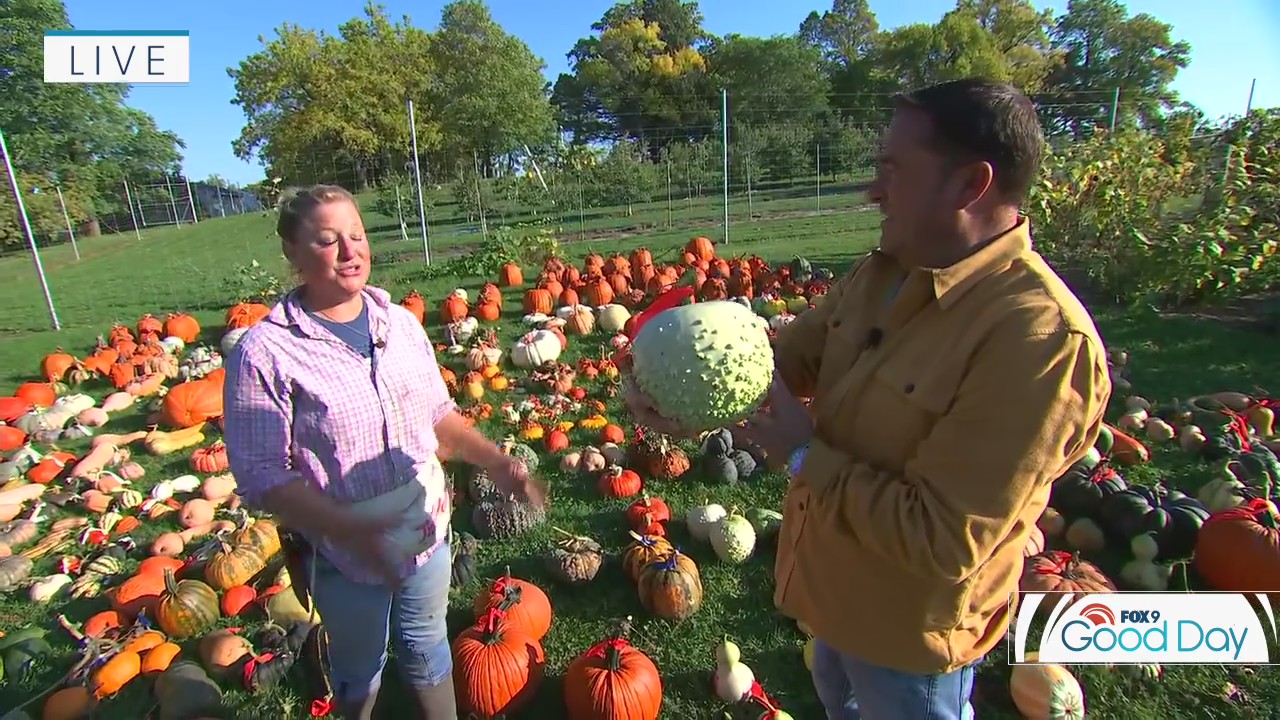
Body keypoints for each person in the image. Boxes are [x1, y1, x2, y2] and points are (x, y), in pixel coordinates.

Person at [625, 79, 1111, 719]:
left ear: (970, 185)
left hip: (908, 634)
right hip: (832, 597)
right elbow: (784, 363)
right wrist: (690, 391)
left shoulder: (1038, 341)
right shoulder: (884, 272)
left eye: (893, 168)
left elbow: (945, 538)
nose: (873, 188)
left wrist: (802, 453)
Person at [223, 184, 544, 720]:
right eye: (328, 240)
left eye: (357, 235)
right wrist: (350, 532)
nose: (350, 251)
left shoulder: (399, 325)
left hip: (425, 527)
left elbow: (438, 418)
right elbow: (261, 476)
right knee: (359, 665)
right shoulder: (266, 353)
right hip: (345, 555)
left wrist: (496, 461)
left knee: (426, 643)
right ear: (292, 253)